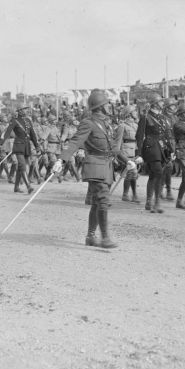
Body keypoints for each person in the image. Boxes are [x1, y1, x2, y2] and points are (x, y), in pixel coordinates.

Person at [53, 89, 133, 249]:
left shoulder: (106, 124)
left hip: (106, 167)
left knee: (97, 203)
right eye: (107, 104)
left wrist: (127, 161)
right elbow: (75, 142)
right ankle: (105, 238)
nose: (109, 107)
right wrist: (61, 159)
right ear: (101, 106)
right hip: (95, 166)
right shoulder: (88, 123)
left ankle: (90, 237)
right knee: (103, 200)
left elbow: (113, 149)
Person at [136, 92, 172, 213]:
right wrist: (139, 154)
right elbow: (139, 136)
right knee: (158, 172)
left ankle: (148, 201)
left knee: (153, 175)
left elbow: (166, 135)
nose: (163, 103)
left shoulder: (163, 118)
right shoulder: (145, 117)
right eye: (161, 101)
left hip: (161, 148)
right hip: (150, 148)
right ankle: (157, 202)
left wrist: (171, 150)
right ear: (155, 104)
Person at [0, 105, 39, 194]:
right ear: (20, 111)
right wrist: (0, 142)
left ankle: (16, 187)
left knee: (21, 167)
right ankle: (28, 186)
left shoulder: (28, 121)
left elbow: (33, 134)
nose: (27, 110)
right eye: (25, 109)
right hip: (19, 146)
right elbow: (7, 132)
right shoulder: (15, 121)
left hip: (27, 146)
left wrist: (37, 146)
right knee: (22, 165)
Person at [117, 105, 142, 202]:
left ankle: (132, 194)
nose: (136, 112)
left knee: (133, 174)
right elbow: (118, 142)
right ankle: (127, 194)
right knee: (131, 172)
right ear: (129, 113)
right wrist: (119, 155)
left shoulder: (136, 125)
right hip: (126, 151)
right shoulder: (122, 126)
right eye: (134, 111)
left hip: (134, 151)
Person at [161, 98, 178, 201]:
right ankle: (165, 190)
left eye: (174, 106)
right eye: (172, 106)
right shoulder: (162, 118)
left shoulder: (175, 118)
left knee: (169, 168)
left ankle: (165, 189)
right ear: (167, 107)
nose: (174, 107)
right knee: (166, 166)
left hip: (173, 143)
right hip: (164, 143)